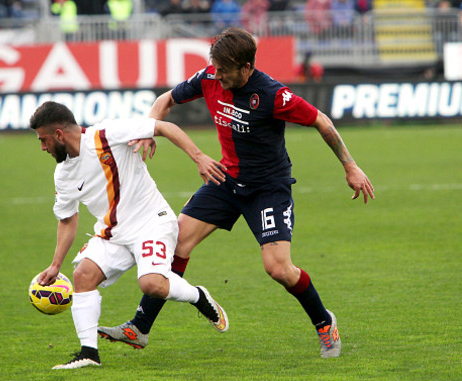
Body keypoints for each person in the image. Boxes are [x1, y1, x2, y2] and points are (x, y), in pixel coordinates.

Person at [98, 27, 375, 358]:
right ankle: (139, 328)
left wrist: (350, 165)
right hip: (225, 181)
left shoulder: (273, 94)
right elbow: (165, 100)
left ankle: (323, 321)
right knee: (176, 241)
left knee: (278, 269)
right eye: (214, 67)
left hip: (267, 189)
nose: (217, 75)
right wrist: (148, 130)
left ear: (246, 68)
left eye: (224, 70)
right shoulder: (209, 78)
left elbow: (322, 122)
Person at [29, 101, 229, 370]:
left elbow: (165, 126)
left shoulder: (106, 134)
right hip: (113, 233)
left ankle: (198, 296)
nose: (42, 147)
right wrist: (55, 264)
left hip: (152, 223)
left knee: (152, 285)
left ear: (59, 135)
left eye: (43, 140)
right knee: (82, 276)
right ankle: (89, 353)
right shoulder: (63, 174)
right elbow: (67, 220)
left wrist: (199, 157)